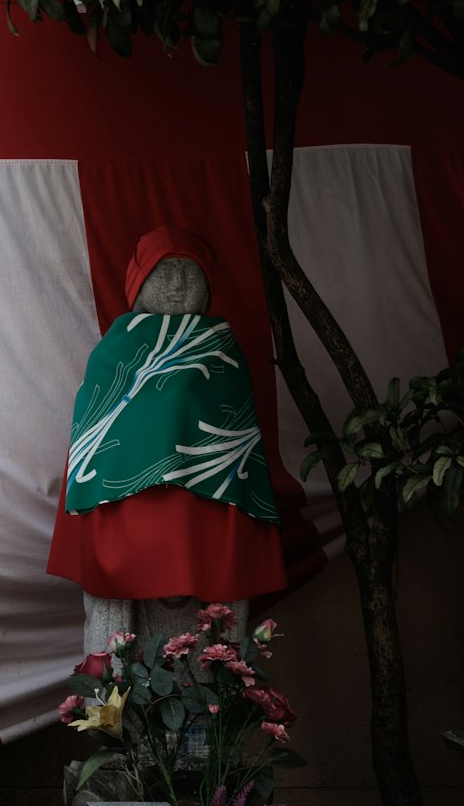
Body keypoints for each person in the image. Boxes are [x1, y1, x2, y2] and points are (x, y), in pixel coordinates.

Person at [47, 225, 286, 655]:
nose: (176, 285)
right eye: (164, 272)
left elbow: (236, 438)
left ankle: (214, 710)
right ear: (139, 283)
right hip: (124, 510)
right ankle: (115, 709)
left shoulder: (223, 349)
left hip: (211, 507)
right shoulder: (112, 352)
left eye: (188, 273)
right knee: (115, 619)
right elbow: (96, 437)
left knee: (214, 630)